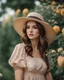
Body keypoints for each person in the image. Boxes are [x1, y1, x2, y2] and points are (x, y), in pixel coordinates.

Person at [8, 12, 56, 80]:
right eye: (28, 27)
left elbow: (48, 76)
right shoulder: (21, 49)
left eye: (35, 27)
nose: (30, 30)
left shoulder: (44, 52)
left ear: (40, 31)